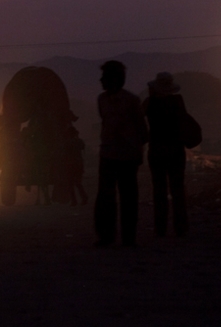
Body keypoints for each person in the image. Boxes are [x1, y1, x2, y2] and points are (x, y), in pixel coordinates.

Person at [94, 60, 148, 247]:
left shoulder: (132, 101)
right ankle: (108, 236)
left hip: (126, 155)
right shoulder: (103, 100)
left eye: (104, 77)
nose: (101, 80)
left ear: (113, 80)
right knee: (107, 197)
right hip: (110, 153)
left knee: (127, 197)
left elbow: (142, 130)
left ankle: (126, 237)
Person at [143, 72, 189, 237]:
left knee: (159, 190)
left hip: (156, 150)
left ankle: (160, 228)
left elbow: (139, 121)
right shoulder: (178, 101)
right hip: (176, 149)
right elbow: (184, 121)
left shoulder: (149, 103)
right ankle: (181, 227)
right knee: (178, 189)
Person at [63, 125, 88, 206]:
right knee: (78, 182)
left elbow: (64, 153)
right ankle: (83, 197)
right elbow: (82, 147)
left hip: (71, 164)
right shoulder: (79, 141)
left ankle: (74, 200)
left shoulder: (67, 142)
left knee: (71, 183)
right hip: (78, 164)